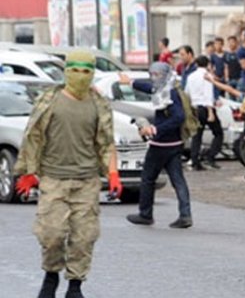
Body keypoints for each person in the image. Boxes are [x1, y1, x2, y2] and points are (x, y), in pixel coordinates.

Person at [14, 51, 123, 298]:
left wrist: (113, 173)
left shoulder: (99, 104)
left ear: (93, 73)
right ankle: (51, 275)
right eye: (75, 70)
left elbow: (106, 143)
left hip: (87, 181)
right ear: (66, 71)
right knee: (51, 234)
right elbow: (33, 136)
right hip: (53, 179)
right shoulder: (50, 101)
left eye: (87, 71)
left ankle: (75, 285)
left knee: (84, 237)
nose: (81, 76)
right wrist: (29, 173)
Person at [122, 63, 193, 229]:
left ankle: (145, 214)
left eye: (158, 74)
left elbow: (178, 117)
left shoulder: (170, 94)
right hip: (174, 143)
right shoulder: (167, 88)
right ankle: (185, 214)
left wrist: (155, 129)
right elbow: (150, 88)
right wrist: (131, 82)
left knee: (147, 179)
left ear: (165, 75)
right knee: (178, 180)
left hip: (162, 143)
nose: (154, 78)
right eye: (152, 74)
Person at [185, 55, 223, 170]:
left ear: (196, 64)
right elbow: (208, 95)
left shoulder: (190, 76)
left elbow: (187, 93)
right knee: (218, 133)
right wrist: (210, 112)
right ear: (208, 65)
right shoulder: (207, 76)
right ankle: (210, 156)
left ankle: (195, 160)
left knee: (197, 136)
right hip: (206, 108)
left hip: (195, 108)